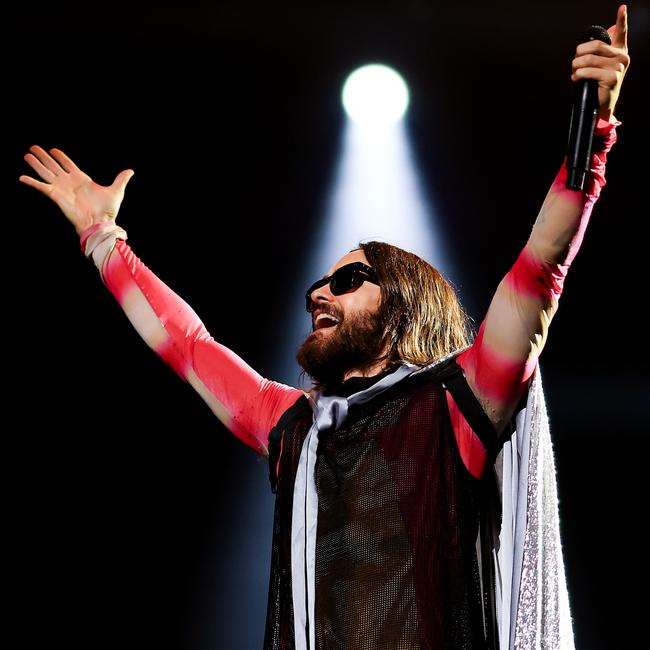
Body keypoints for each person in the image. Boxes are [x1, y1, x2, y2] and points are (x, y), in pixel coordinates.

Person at [19, 6, 629, 649]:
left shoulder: (459, 402)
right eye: (317, 284)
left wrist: (596, 124)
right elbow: (188, 345)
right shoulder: (294, 427)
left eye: (347, 281)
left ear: (402, 308)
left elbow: (539, 272)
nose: (318, 293)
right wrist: (102, 239)